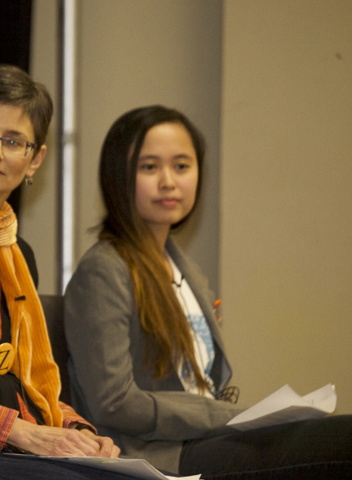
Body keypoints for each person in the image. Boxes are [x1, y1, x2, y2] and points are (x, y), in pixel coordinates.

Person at [64, 105, 352, 478]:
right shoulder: (104, 270)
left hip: (203, 440)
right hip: (160, 456)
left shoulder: (181, 267)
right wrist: (227, 416)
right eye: (149, 167)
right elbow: (114, 403)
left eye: (182, 166)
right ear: (118, 176)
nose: (168, 181)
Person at [0, 64, 134, 480]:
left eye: (13, 141)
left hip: (22, 444)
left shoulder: (19, 253)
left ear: (35, 159)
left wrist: (78, 431)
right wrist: (21, 433)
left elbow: (31, 381)